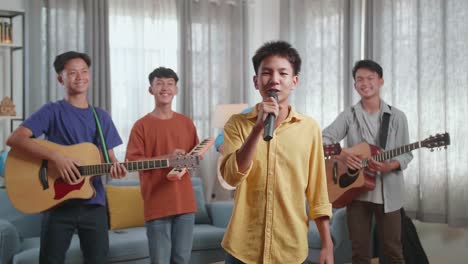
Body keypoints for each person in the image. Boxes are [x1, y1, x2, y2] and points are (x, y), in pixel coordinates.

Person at [6, 51, 127, 263]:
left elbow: (110, 159)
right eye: (72, 73)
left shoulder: (101, 117)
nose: (80, 77)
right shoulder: (52, 111)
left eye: (84, 71)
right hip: (56, 203)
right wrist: (56, 157)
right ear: (61, 78)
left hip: (94, 204)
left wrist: (116, 167)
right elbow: (16, 139)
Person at [220, 41, 334, 264]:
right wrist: (257, 129)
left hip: (289, 250)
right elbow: (231, 176)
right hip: (242, 249)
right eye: (266, 73)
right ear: (256, 81)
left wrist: (327, 245)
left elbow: (317, 192)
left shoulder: (309, 129)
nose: (274, 79)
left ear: (294, 81)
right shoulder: (237, 124)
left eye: (282, 73)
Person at [322, 59, 413, 264]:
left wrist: (390, 165)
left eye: (370, 78)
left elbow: (407, 154)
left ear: (380, 81)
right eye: (359, 79)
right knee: (359, 254)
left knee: (392, 253)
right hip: (355, 193)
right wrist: (342, 154)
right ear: (355, 85)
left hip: (389, 194)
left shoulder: (397, 117)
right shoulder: (349, 115)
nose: (365, 83)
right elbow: (323, 139)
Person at [125, 67, 199, 264]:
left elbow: (194, 159)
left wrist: (188, 163)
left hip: (185, 204)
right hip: (156, 204)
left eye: (170, 84)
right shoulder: (141, 126)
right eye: (159, 83)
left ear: (176, 90)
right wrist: (168, 159)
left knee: (182, 259)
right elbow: (131, 163)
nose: (165, 88)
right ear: (151, 89)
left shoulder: (187, 123)